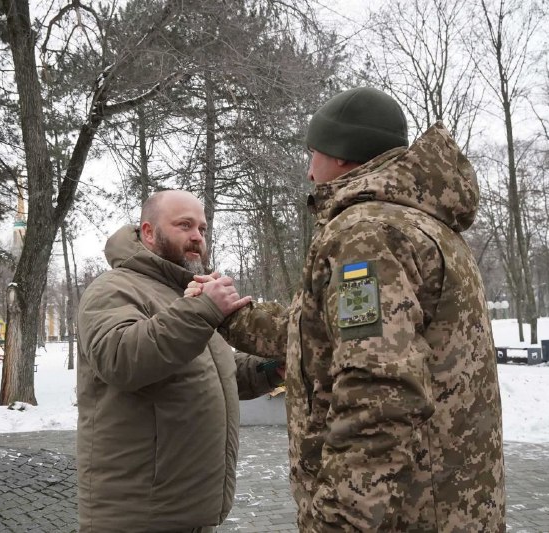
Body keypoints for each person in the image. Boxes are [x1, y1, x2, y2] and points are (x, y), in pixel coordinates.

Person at [188, 87, 506, 531]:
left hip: (401, 515)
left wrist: (335, 521)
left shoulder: (367, 234)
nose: (309, 169)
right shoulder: (421, 223)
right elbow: (330, 334)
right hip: (446, 505)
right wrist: (231, 315)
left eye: (313, 152)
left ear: (340, 155)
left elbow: (379, 392)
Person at [76, 189, 283, 533]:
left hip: (190, 513)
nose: (196, 237)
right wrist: (204, 309)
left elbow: (214, 375)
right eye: (184, 225)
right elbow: (121, 360)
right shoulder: (113, 289)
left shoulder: (187, 294)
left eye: (202, 228)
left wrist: (269, 369)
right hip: (138, 516)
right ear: (148, 232)